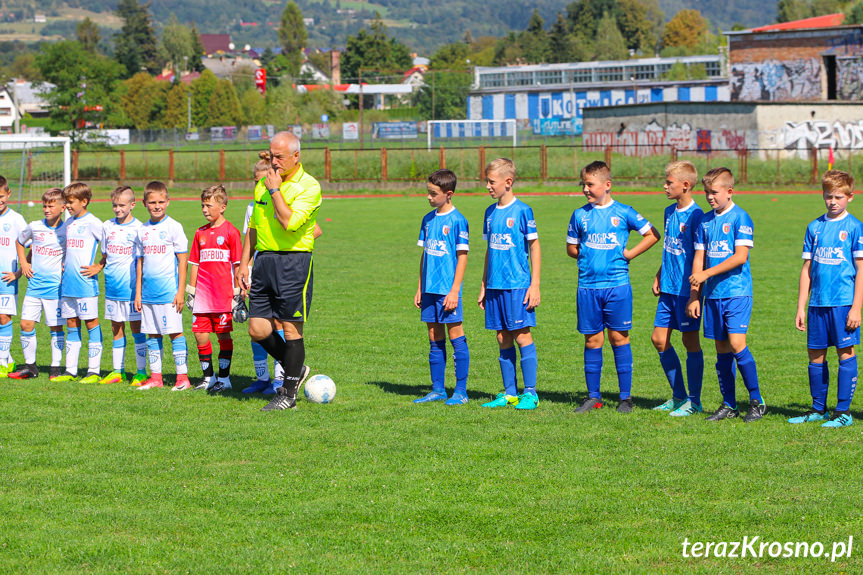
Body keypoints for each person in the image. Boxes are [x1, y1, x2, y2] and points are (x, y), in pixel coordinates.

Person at [567, 161, 660, 414]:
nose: (585, 189)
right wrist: (588, 255)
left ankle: (625, 398)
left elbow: (652, 234)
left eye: (590, 184)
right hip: (587, 287)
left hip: (617, 286)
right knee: (592, 340)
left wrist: (628, 254)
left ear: (607, 185)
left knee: (619, 338)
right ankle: (593, 397)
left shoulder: (623, 212)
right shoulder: (579, 215)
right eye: (583, 184)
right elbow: (571, 248)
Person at [238, 132, 321, 411]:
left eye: (280, 157)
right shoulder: (262, 184)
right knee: (257, 328)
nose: (274, 161)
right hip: (264, 261)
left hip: (294, 262)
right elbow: (254, 228)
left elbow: (289, 223)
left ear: (296, 156)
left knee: (290, 327)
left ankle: (288, 394)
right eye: (271, 155)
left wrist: (275, 191)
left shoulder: (309, 186)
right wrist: (243, 262)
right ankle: (296, 369)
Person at [688, 167, 766, 422]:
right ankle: (729, 404)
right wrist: (694, 295)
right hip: (712, 296)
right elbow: (699, 258)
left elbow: (740, 256)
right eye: (706, 192)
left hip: (737, 292)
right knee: (721, 349)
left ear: (729, 191)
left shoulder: (741, 218)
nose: (710, 197)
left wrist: (706, 274)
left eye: (714, 192)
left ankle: (756, 400)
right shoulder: (705, 221)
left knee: (736, 344)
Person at [790, 169, 862, 428]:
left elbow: (861, 269)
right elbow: (807, 269)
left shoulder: (854, 227)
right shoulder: (814, 227)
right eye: (829, 196)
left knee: (845, 352)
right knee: (815, 355)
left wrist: (856, 307)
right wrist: (801, 306)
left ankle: (843, 412)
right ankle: (818, 408)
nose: (833, 202)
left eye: (839, 197)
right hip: (817, 303)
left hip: (843, 302)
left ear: (850, 197)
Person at [477, 158, 541, 410]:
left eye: (491, 182)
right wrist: (484, 284)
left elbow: (535, 246)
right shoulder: (489, 213)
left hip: (517, 284)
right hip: (495, 285)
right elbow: (489, 251)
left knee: (522, 335)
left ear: (508, 182)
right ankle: (509, 393)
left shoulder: (523, 211)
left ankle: (531, 393)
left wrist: (534, 285)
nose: (487, 187)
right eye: (487, 181)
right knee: (502, 336)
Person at [650, 161, 705, 416]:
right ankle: (678, 396)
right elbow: (670, 248)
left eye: (669, 182)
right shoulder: (669, 212)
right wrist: (660, 274)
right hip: (668, 289)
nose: (664, 186)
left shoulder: (698, 217)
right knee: (659, 339)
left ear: (685, 185)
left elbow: (699, 257)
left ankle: (694, 402)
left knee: (689, 342)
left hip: (687, 291)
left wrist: (695, 294)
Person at [413, 169, 470, 405]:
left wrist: (455, 290)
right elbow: (424, 257)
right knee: (434, 335)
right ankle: (437, 389)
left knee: (455, 334)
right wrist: (419, 287)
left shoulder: (458, 221)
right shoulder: (427, 220)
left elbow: (463, 257)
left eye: (433, 193)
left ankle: (461, 391)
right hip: (429, 289)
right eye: (427, 192)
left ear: (449, 194)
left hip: (448, 290)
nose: (428, 197)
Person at [134, 181, 190, 391]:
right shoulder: (142, 230)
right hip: (148, 294)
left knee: (175, 332)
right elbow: (140, 263)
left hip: (169, 293)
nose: (157, 206)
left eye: (160, 202)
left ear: (168, 202)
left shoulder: (174, 227)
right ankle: (156, 377)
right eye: (152, 202)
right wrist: (138, 293)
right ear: (144, 203)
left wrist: (180, 292)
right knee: (153, 334)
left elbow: (182, 261)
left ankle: (182, 377)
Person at [187, 184, 242, 393]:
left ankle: (225, 378)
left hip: (223, 297)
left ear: (223, 207)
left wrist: (237, 294)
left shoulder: (231, 232)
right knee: (200, 335)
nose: (204, 209)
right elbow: (195, 263)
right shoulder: (199, 233)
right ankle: (208, 377)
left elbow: (237, 266)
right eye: (202, 205)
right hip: (202, 296)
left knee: (223, 336)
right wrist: (191, 291)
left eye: (208, 205)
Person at [8, 188, 66, 380]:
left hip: (55, 288)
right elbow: (19, 242)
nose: (46, 209)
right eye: (44, 206)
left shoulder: (67, 230)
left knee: (56, 327)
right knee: (25, 324)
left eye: (51, 206)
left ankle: (55, 367)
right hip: (34, 286)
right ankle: (31, 367)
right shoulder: (34, 226)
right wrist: (23, 263)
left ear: (62, 207)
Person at [52, 182, 104, 384]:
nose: (67, 206)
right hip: (68, 285)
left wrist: (98, 266)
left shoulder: (93, 223)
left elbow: (109, 248)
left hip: (85, 284)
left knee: (91, 323)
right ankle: (70, 370)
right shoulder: (69, 223)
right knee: (71, 324)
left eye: (70, 202)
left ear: (84, 201)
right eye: (65, 202)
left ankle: (93, 371)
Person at [96, 186, 148, 386]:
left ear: (132, 205)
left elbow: (142, 261)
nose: (117, 209)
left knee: (136, 329)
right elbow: (106, 255)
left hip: (131, 289)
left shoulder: (139, 229)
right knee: (116, 328)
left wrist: (139, 291)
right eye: (114, 205)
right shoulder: (107, 226)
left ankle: (141, 372)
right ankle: (118, 371)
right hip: (112, 289)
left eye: (121, 205)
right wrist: (99, 267)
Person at [0, 175, 27, 377]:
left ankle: (3, 363)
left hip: (6, 279)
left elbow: (32, 245)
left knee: (3, 317)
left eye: (1, 196)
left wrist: (19, 271)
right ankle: (8, 359)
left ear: (8, 194)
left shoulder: (16, 219)